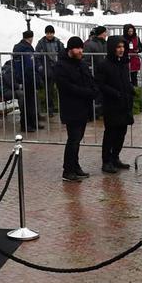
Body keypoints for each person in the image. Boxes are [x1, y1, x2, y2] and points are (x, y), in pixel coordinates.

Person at [52, 36, 99, 182]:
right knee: (73, 139)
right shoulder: (61, 66)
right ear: (70, 49)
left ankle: (75, 165)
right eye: (77, 48)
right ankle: (68, 170)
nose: (80, 51)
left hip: (83, 107)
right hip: (71, 107)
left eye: (81, 48)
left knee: (77, 139)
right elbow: (66, 87)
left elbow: (90, 80)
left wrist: (93, 91)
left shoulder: (82, 64)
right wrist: (86, 92)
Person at [95, 35, 134, 173]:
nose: (121, 50)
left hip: (124, 103)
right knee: (111, 133)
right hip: (111, 104)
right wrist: (115, 93)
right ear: (112, 48)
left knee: (121, 132)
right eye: (118, 47)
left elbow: (126, 81)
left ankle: (115, 157)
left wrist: (130, 90)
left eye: (123, 47)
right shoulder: (104, 65)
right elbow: (100, 84)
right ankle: (106, 161)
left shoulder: (123, 63)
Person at [11, 29, 41, 132]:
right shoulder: (27, 49)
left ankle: (31, 123)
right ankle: (27, 125)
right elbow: (29, 65)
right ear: (31, 38)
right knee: (29, 103)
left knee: (29, 102)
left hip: (21, 78)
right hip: (28, 78)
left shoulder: (18, 47)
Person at [123, 24, 142, 88]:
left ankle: (135, 90)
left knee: (134, 77)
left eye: (132, 31)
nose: (131, 33)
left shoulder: (136, 38)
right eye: (129, 31)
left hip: (134, 59)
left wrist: (138, 50)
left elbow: (140, 48)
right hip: (126, 59)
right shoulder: (123, 38)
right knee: (125, 77)